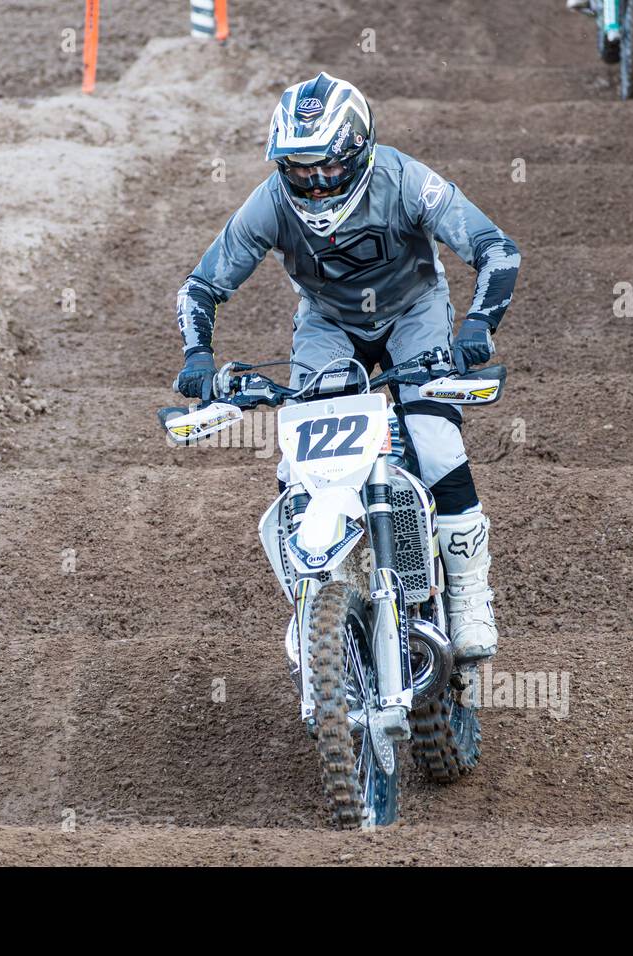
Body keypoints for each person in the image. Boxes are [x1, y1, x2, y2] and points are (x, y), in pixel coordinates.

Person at [172, 73, 520, 662]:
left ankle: (467, 595)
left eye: (326, 168)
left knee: (434, 442)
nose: (313, 185)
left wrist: (478, 326)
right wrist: (198, 356)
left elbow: (496, 248)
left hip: (415, 312)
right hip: (329, 325)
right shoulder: (272, 202)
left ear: (358, 151)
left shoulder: (405, 178)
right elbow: (201, 286)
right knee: (301, 463)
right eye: (299, 171)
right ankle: (316, 599)